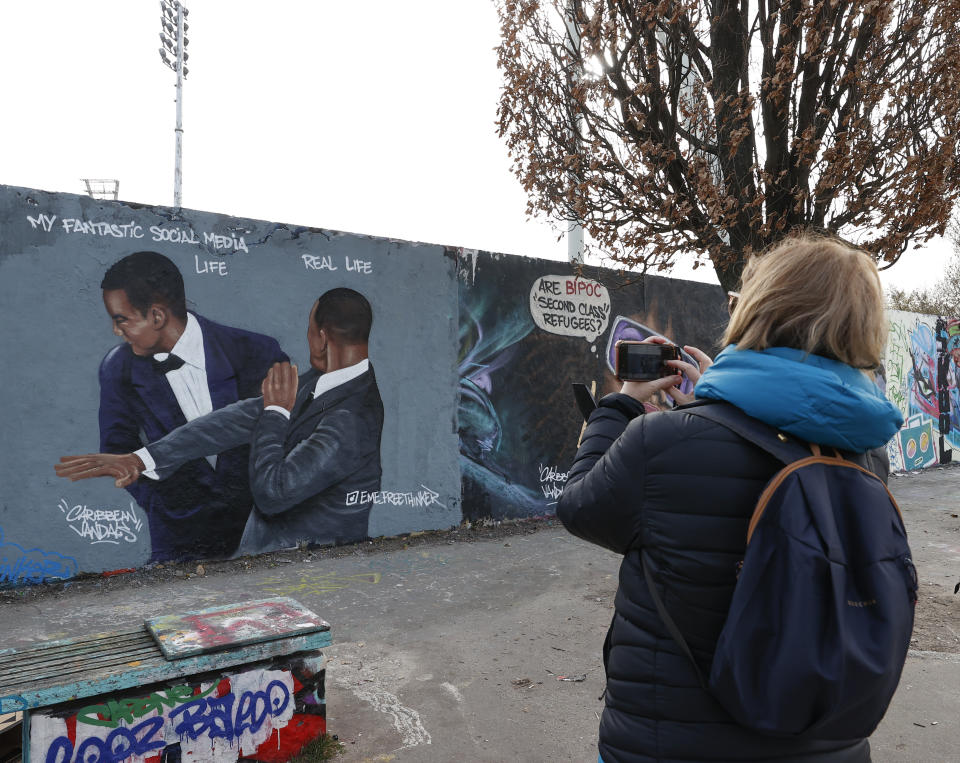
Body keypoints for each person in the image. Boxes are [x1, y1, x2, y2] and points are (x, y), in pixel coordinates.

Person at [558, 233, 904, 763]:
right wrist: (715, 406)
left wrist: (620, 405)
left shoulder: (663, 442)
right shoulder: (867, 457)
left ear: (759, 308)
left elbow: (580, 506)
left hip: (668, 746)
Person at [58, 288, 384, 556]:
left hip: (310, 571)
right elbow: (235, 420)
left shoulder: (351, 419)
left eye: (310, 330)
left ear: (322, 338)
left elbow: (274, 492)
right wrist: (143, 458)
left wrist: (275, 414)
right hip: (273, 560)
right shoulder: (321, 382)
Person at [96, 251, 287, 562]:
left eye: (122, 320)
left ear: (156, 316)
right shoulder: (118, 369)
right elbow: (118, 447)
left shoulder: (256, 352)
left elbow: (282, 433)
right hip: (178, 544)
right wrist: (165, 504)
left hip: (261, 540)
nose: (117, 331)